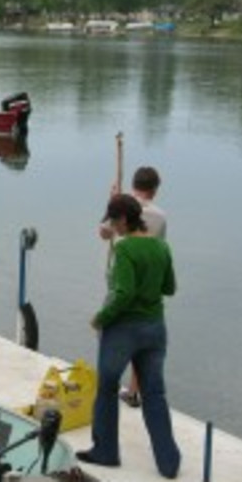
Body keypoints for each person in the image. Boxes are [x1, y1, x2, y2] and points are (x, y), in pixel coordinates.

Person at [79, 194, 181, 479]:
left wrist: (101, 319)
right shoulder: (162, 246)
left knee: (108, 388)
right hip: (155, 328)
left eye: (114, 220)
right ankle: (169, 462)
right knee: (154, 394)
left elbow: (124, 294)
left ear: (123, 219)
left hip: (124, 330)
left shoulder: (124, 249)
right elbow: (170, 288)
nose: (113, 227)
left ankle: (106, 452)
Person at [99, 166, 166, 408]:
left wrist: (111, 202)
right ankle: (134, 391)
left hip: (120, 279)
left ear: (134, 184)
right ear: (155, 190)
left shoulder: (121, 208)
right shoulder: (161, 216)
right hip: (149, 283)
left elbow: (103, 234)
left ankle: (108, 384)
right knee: (141, 338)